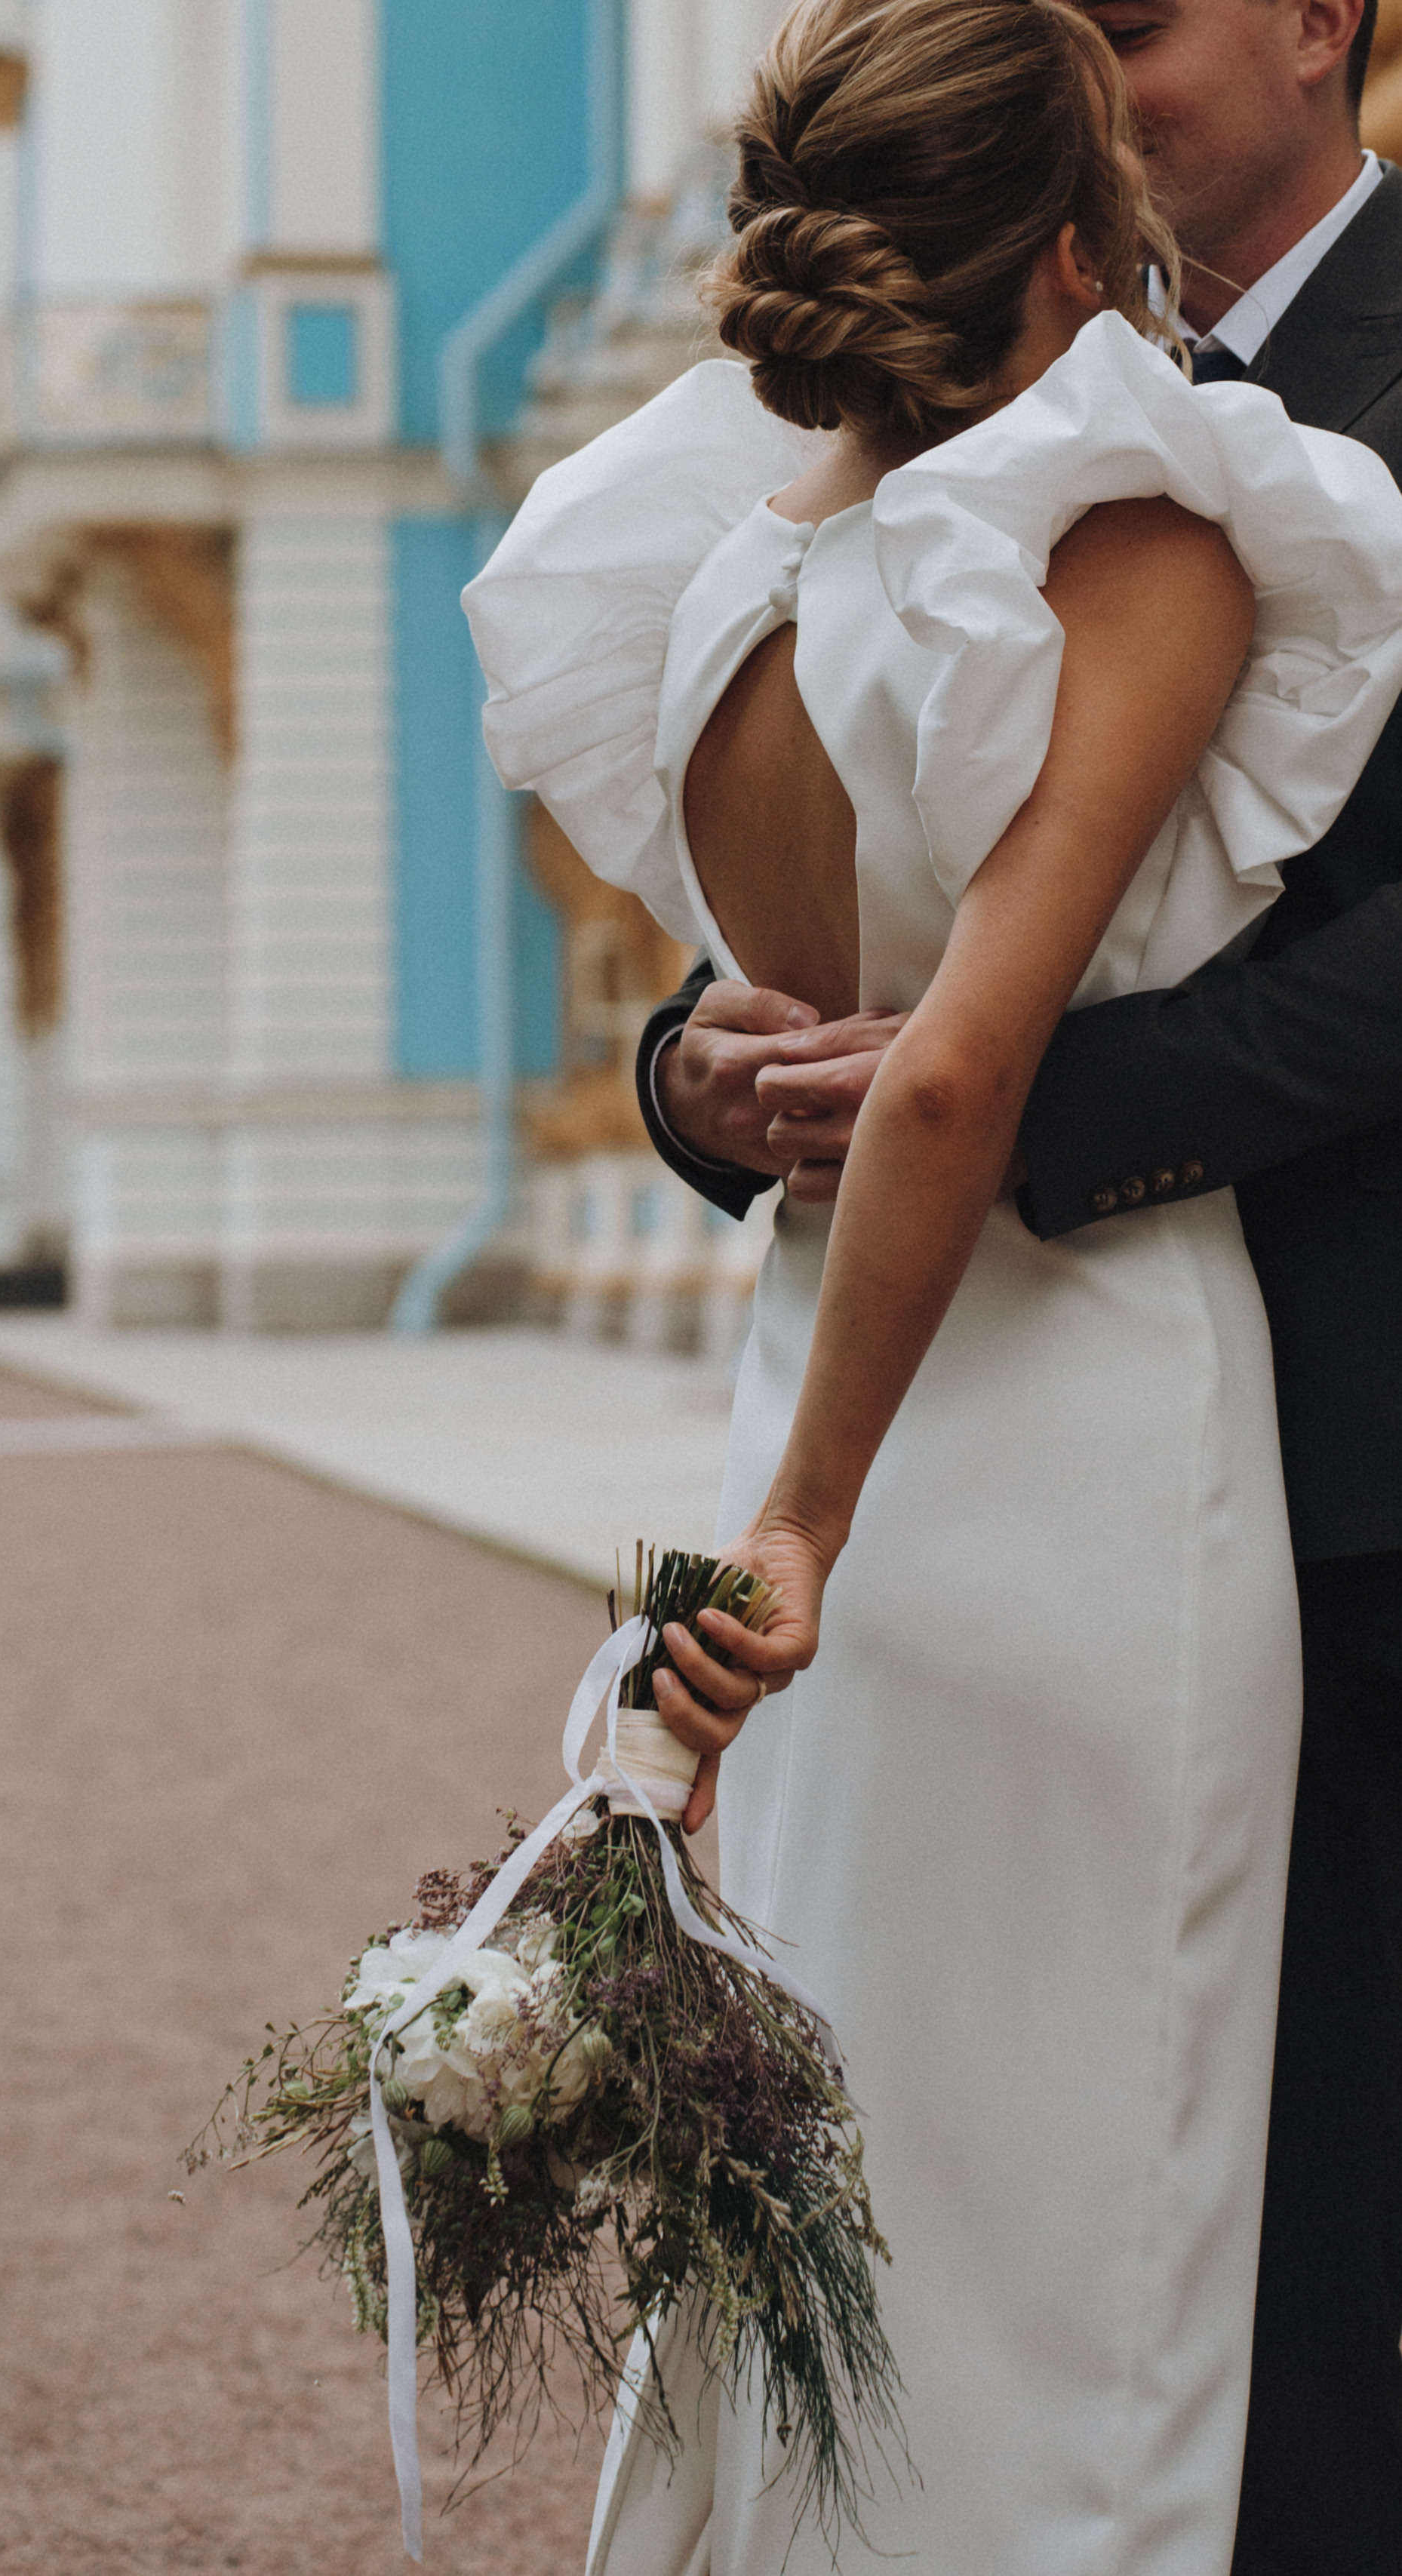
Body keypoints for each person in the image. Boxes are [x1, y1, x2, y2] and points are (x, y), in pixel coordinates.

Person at [464, 0, 1402, 2565]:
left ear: (1322, 23)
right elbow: (887, 1015)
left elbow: (914, 1005)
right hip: (1075, 1442)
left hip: (1226, 1411)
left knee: (1028, 2159)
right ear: (1064, 230)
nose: (1107, 62)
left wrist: (972, 1129)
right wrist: (706, 1084)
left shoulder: (751, 548)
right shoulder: (1122, 502)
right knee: (1077, 2199)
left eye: (1139, 15)